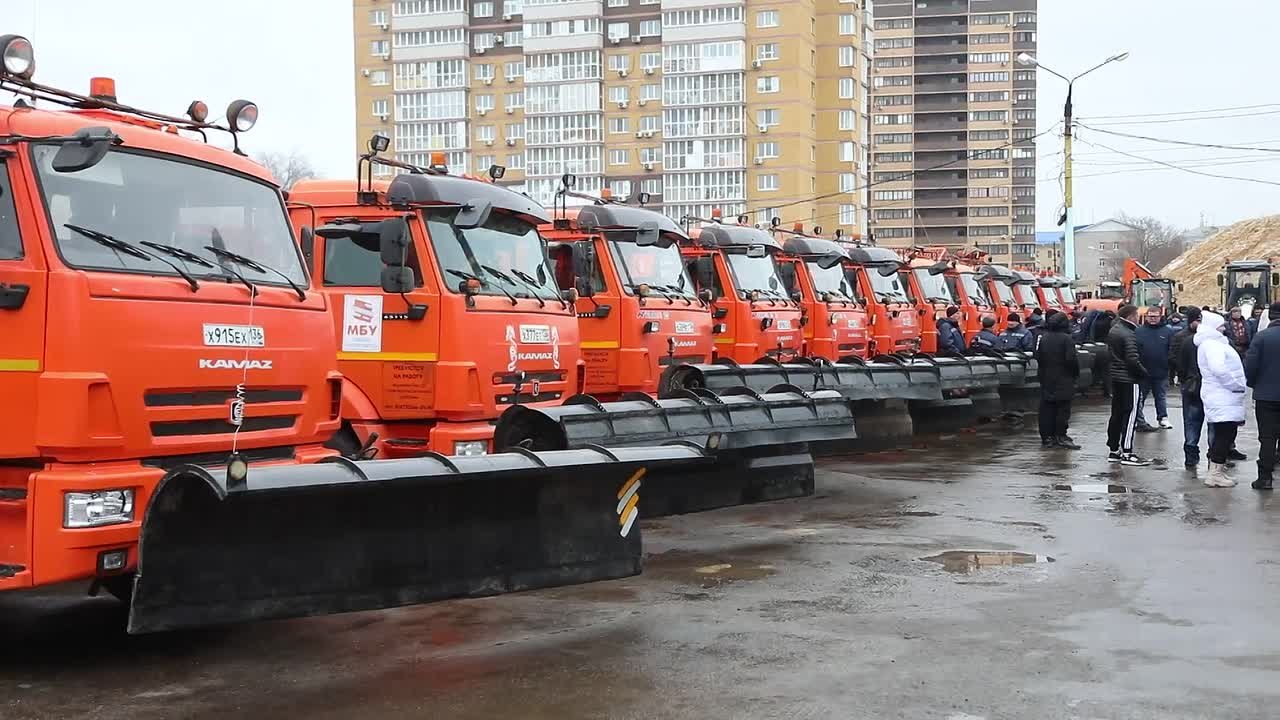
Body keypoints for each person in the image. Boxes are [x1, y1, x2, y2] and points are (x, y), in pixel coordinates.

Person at [1196, 312, 1248, 487]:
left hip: (1221, 395)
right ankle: (1215, 474)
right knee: (1224, 435)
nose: (1224, 329)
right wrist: (1235, 385)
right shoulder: (1213, 345)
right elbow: (1219, 369)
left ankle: (1217, 471)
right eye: (1220, 326)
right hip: (1223, 395)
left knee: (1224, 434)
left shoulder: (1211, 343)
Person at [1106, 304, 1151, 466]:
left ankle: (1114, 450)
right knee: (1131, 414)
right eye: (1137, 315)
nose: (1138, 318)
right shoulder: (1129, 333)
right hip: (1130, 379)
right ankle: (1127, 452)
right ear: (1131, 316)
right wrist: (1144, 373)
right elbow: (1132, 359)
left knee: (1116, 414)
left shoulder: (1114, 330)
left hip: (1116, 377)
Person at [1244, 301, 1280, 490]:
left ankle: (1265, 477)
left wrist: (1254, 384)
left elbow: (1250, 366)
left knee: (1267, 437)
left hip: (1266, 395)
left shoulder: (1262, 337)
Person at [1171, 307, 1210, 468]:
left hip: (1199, 385)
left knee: (1198, 421)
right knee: (1194, 420)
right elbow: (1176, 359)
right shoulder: (1184, 338)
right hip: (1194, 385)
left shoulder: (1190, 339)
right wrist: (1185, 378)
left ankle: (1206, 453)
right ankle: (1193, 452)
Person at [1036, 311, 1080, 449]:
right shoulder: (1067, 339)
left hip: (1047, 377)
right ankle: (1061, 435)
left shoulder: (1044, 337)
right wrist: (1075, 374)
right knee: (1063, 408)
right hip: (1064, 377)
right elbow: (1071, 360)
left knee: (1047, 408)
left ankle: (1047, 437)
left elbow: (1039, 356)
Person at [1134, 308, 1175, 431]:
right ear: (1146, 317)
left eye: (1155, 316)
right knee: (1140, 397)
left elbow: (1171, 349)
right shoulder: (1138, 331)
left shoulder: (1168, 331)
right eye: (1150, 316)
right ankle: (1137, 419)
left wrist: (1169, 364)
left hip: (1161, 370)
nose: (1153, 319)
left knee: (1160, 396)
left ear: (1160, 317)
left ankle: (1163, 418)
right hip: (1142, 371)